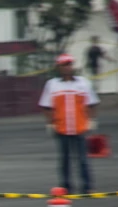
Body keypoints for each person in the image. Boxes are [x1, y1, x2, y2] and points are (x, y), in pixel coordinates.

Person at [38, 53, 100, 194]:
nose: (68, 67)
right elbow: (46, 106)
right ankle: (66, 186)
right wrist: (50, 123)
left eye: (69, 64)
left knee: (83, 159)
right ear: (59, 67)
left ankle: (87, 186)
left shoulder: (83, 83)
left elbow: (92, 103)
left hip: (80, 126)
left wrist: (92, 120)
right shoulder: (52, 85)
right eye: (65, 65)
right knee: (64, 159)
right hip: (62, 127)